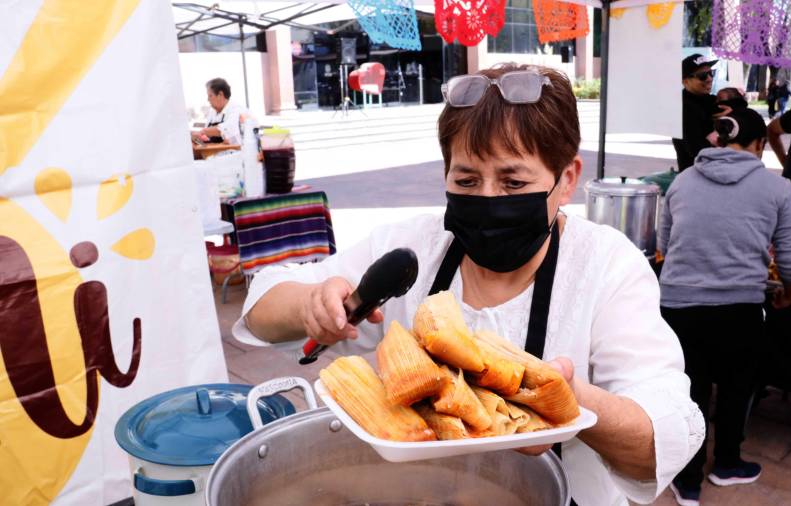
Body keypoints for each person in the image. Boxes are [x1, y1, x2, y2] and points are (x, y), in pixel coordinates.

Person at [234, 63, 704, 506]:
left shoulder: (606, 266)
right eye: (467, 179)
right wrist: (312, 304)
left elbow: (660, 441)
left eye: (513, 183)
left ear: (567, 180)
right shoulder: (411, 245)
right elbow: (261, 308)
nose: (487, 199)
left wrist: (567, 401)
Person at [659, 108, 791, 506]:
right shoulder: (777, 188)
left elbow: (664, 242)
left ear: (720, 140)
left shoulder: (683, 180)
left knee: (687, 392)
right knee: (735, 388)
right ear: (760, 145)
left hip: (676, 306)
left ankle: (687, 482)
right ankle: (726, 464)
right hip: (738, 308)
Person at [673, 54, 729, 172]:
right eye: (702, 76)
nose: (709, 79)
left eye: (711, 73)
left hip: (716, 172)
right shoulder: (683, 108)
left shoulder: (709, 100)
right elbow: (696, 150)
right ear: (685, 81)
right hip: (696, 176)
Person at [191, 77, 246, 145]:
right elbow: (205, 140)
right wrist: (197, 139)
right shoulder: (212, 113)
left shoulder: (236, 109)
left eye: (210, 96)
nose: (208, 99)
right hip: (214, 153)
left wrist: (203, 131)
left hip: (235, 153)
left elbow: (228, 129)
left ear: (220, 94)